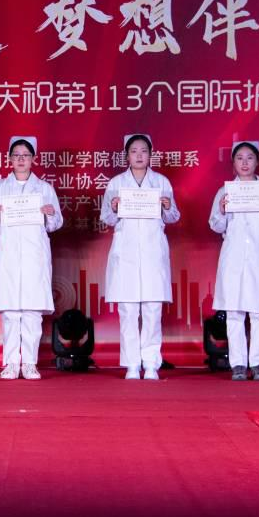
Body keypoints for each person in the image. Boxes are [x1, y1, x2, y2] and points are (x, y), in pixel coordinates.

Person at [0, 137, 64, 380]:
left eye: (25, 155)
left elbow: (56, 223)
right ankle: (10, 363)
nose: (20, 159)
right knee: (10, 313)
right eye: (16, 155)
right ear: (9, 159)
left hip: (34, 255)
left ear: (33, 159)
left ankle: (29, 363)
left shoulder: (44, 189)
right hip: (7, 255)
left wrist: (50, 214)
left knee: (31, 312)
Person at [100, 134, 181, 381]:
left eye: (143, 151)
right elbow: (106, 219)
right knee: (128, 311)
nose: (138, 155)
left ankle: (151, 364)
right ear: (126, 155)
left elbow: (174, 217)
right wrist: (113, 207)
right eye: (134, 151)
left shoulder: (161, 182)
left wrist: (167, 206)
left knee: (153, 310)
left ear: (150, 155)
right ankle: (132, 365)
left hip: (153, 252)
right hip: (125, 253)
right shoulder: (116, 183)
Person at [207, 140, 259, 382]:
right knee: (234, 312)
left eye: (249, 157)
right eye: (239, 158)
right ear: (233, 163)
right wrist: (222, 210)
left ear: (257, 161)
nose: (244, 162)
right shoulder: (225, 191)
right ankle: (238, 364)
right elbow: (215, 225)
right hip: (233, 258)